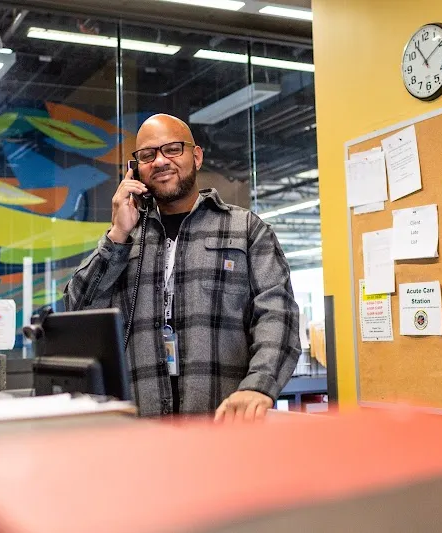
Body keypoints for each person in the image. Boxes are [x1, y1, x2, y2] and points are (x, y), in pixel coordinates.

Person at [64, 114, 300, 420]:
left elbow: (277, 315)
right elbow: (77, 310)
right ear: (134, 169)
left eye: (172, 149)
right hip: (143, 430)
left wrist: (258, 386)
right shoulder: (125, 238)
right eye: (148, 155)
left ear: (196, 156)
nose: (160, 161)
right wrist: (117, 234)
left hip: (223, 425)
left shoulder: (245, 230)